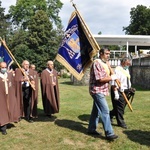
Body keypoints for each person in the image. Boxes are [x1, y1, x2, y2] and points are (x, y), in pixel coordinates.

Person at [88, 48, 118, 141]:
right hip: (97, 90)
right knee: (105, 111)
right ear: (101, 54)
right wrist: (112, 77)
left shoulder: (105, 63)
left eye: (109, 54)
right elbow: (100, 79)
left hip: (102, 90)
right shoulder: (97, 63)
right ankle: (109, 133)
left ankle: (91, 129)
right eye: (106, 54)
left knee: (95, 111)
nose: (108, 55)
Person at [110, 57, 132, 129]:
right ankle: (121, 122)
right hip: (118, 90)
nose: (129, 64)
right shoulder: (117, 70)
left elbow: (126, 80)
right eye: (128, 63)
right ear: (123, 62)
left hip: (125, 90)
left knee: (121, 107)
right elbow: (114, 82)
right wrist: (116, 93)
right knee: (120, 108)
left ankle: (110, 114)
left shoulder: (126, 69)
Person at [0, 62, 19, 135]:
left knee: (9, 108)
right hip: (1, 96)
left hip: (9, 95)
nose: (4, 69)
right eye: (2, 67)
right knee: (2, 111)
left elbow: (13, 84)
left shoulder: (9, 75)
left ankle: (8, 121)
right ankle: (3, 127)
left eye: (5, 67)